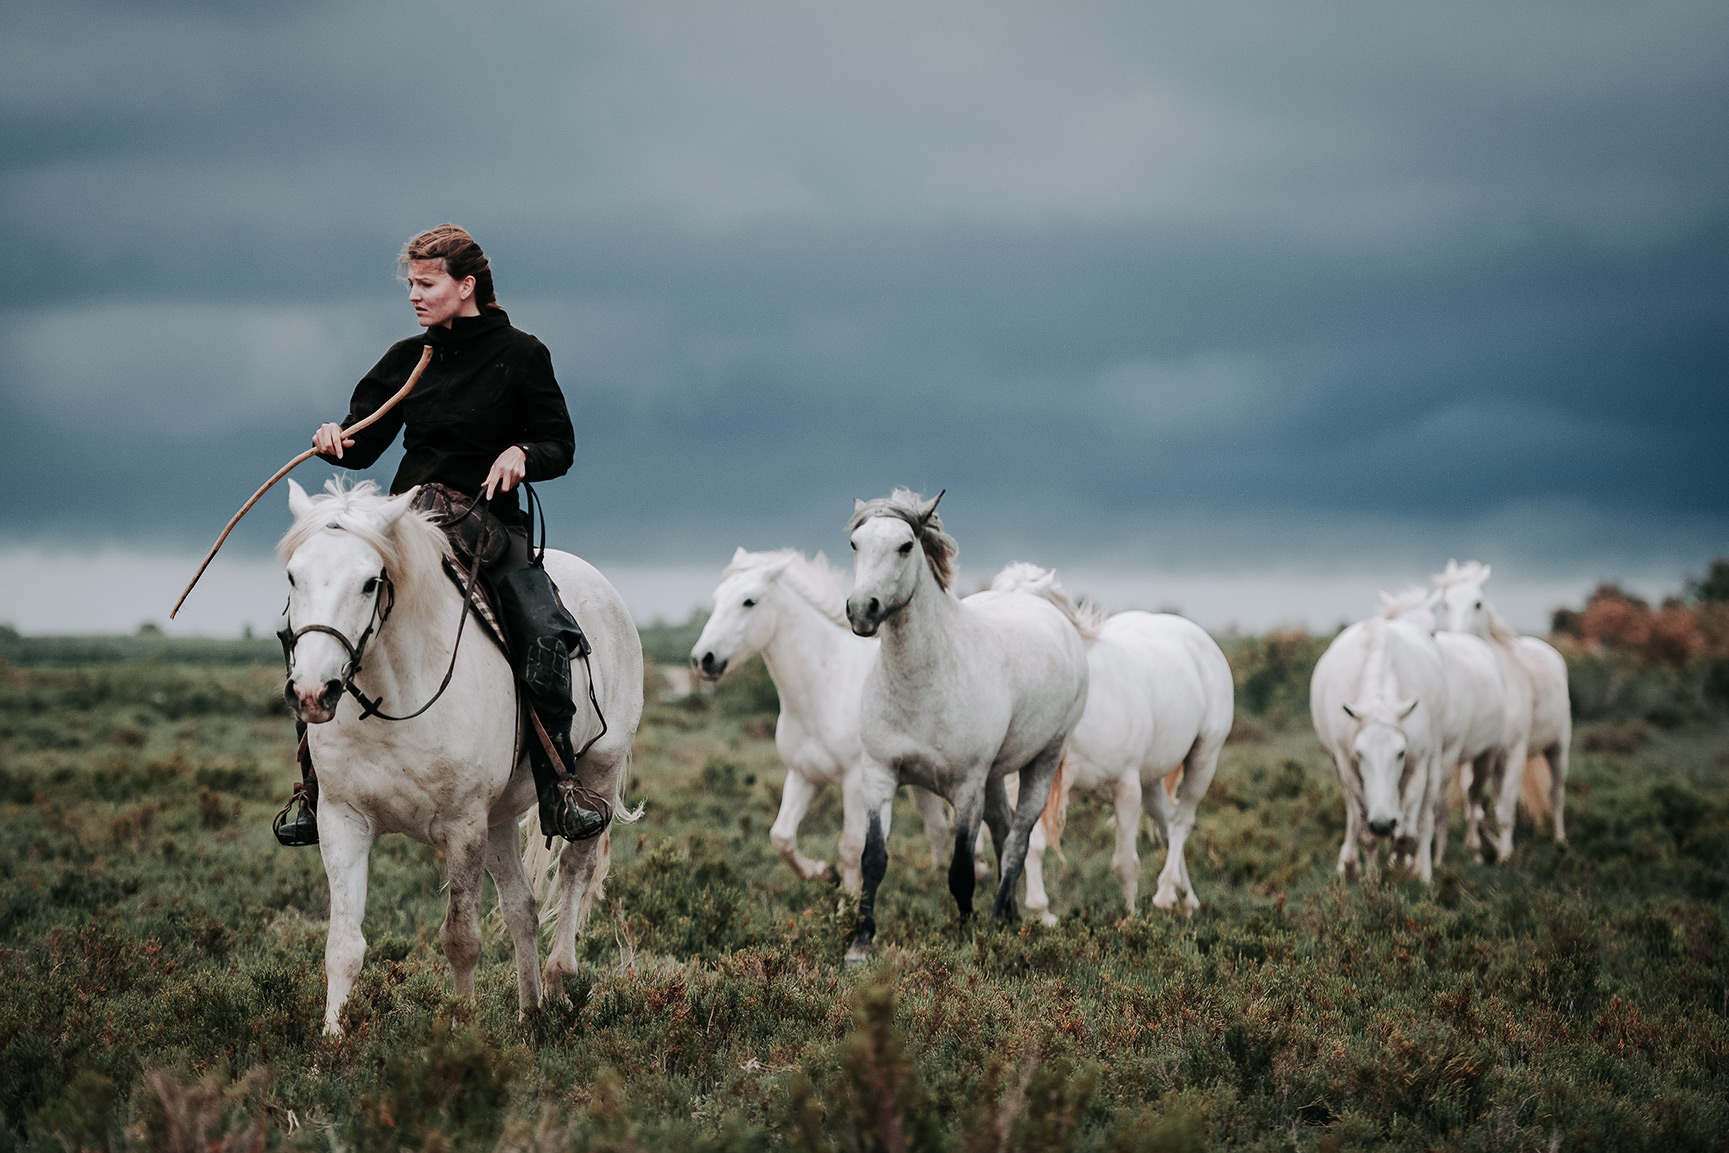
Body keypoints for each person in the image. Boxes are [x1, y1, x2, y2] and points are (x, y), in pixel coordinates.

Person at [275, 224, 605, 846]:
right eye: (412, 285)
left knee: (539, 624)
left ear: (466, 286)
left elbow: (559, 444)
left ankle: (559, 782)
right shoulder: (409, 358)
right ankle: (313, 785)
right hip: (406, 517)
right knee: (312, 610)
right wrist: (334, 441)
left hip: (489, 521)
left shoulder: (522, 354)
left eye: (426, 285)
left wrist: (522, 453)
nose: (414, 296)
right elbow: (363, 439)